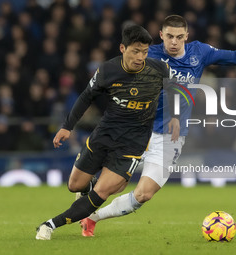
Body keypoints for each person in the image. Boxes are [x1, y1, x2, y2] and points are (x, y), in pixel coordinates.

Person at [80, 15, 236, 237]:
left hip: (169, 137)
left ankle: (92, 218)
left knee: (144, 194)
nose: (174, 42)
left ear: (187, 36)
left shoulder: (199, 53)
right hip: (138, 130)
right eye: (170, 37)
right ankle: (86, 189)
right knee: (115, 184)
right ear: (161, 35)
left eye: (179, 37)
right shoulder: (148, 54)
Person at [35, 24, 180, 240]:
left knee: (101, 193)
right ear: (123, 48)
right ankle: (89, 187)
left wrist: (175, 115)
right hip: (104, 135)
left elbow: (174, 90)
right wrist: (67, 126)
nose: (140, 57)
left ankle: (49, 225)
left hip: (132, 144)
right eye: (135, 51)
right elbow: (86, 96)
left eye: (145, 52)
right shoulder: (108, 70)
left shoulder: (159, 70)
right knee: (75, 185)